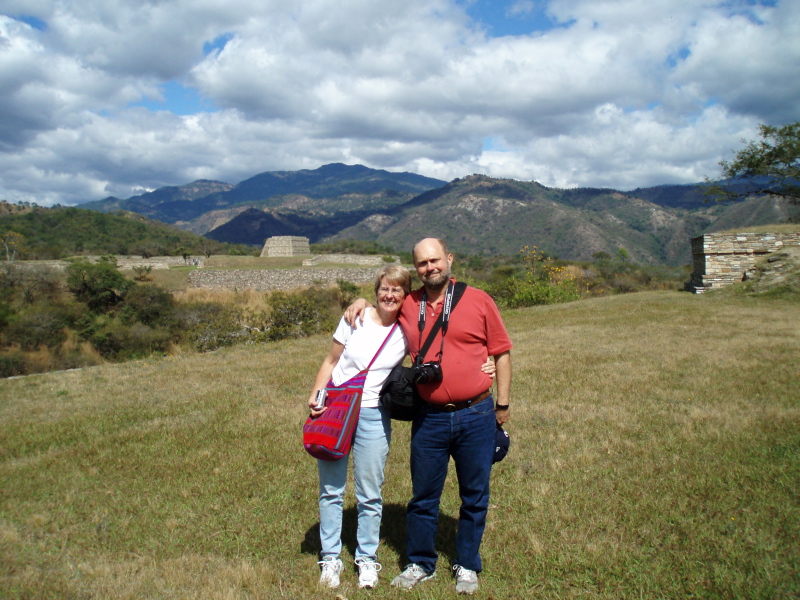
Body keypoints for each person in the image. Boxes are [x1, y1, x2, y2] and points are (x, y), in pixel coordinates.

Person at [345, 238, 512, 595]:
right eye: (422, 264)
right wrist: (359, 300)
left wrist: (503, 405)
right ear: (416, 269)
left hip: (476, 413)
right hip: (430, 417)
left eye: (435, 260)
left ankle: (467, 564)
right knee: (423, 496)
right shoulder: (410, 303)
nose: (429, 268)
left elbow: (501, 352)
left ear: (449, 259)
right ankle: (420, 562)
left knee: (475, 495)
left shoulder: (479, 299)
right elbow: (382, 304)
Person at [308, 265, 410, 590]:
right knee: (331, 490)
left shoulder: (409, 331)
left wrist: (487, 362)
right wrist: (316, 395)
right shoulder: (356, 318)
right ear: (376, 291)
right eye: (384, 288)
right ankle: (330, 558)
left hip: (372, 415)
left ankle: (366, 558)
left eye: (397, 290)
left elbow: (445, 350)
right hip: (336, 408)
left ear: (406, 295)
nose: (389, 295)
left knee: (370, 492)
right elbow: (331, 360)